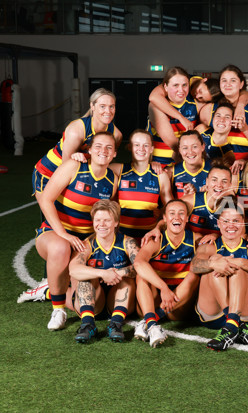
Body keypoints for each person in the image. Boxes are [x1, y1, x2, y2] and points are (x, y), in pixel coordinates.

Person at [35, 132, 118, 331]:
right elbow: (45, 199)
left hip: (84, 242)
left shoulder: (112, 180)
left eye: (108, 148)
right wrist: (64, 234)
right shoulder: (74, 166)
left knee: (88, 307)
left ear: (114, 153)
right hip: (55, 233)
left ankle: (50, 291)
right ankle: (58, 309)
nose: (103, 151)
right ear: (88, 149)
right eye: (98, 146)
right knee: (61, 247)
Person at [190, 199, 248, 351]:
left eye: (236, 221)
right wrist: (213, 263)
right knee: (214, 261)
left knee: (238, 268)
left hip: (245, 311)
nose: (231, 225)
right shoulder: (209, 246)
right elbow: (194, 266)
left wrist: (236, 262)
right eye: (226, 221)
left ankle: (231, 325)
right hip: (214, 313)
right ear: (218, 223)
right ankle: (235, 324)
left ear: (243, 223)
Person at [133, 199, 201, 347]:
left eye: (181, 213)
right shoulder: (156, 239)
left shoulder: (195, 239)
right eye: (172, 213)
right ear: (164, 219)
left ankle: (149, 322)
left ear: (187, 218)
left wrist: (214, 237)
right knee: (141, 275)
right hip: (152, 301)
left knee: (195, 273)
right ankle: (152, 324)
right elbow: (138, 263)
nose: (177, 217)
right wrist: (163, 288)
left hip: (177, 306)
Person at [68, 200, 139, 343]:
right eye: (98, 220)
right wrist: (103, 273)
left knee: (128, 279)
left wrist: (119, 273)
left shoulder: (127, 242)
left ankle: (116, 324)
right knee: (85, 277)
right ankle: (88, 324)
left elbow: (141, 266)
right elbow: (73, 269)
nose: (101, 224)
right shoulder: (87, 245)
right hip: (93, 303)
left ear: (116, 223)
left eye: (107, 220)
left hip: (118, 303)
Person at [33, 89, 122, 202]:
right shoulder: (77, 130)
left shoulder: (116, 135)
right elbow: (66, 167)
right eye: (103, 106)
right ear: (92, 106)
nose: (108, 111)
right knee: (52, 214)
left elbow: (105, 161)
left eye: (111, 106)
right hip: (49, 172)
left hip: (78, 173)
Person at [199, 65, 248, 161]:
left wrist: (246, 129)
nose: (228, 84)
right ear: (219, 84)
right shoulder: (208, 110)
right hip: (217, 169)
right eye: (224, 80)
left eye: (233, 80)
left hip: (247, 168)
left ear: (241, 84)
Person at [113, 130, 173, 240]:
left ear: (151, 149)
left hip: (149, 237)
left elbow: (172, 208)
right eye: (137, 145)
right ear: (130, 147)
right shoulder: (118, 170)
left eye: (146, 145)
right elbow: (95, 165)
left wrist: (160, 213)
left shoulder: (160, 175)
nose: (141, 149)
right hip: (121, 237)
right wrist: (80, 155)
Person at [147, 67, 201, 166]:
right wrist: (181, 118)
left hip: (187, 160)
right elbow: (173, 143)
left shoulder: (195, 103)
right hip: (160, 163)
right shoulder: (156, 105)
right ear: (166, 87)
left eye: (184, 85)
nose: (181, 90)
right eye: (175, 85)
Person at [166, 130, 211, 199]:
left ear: (203, 147)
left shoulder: (215, 170)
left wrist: (212, 196)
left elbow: (229, 204)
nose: (190, 152)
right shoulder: (171, 172)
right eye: (185, 148)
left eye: (194, 146)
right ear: (180, 150)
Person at [197, 101, 236, 166]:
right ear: (213, 118)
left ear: (233, 122)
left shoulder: (228, 155)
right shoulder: (201, 130)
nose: (221, 120)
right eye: (218, 116)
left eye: (227, 117)